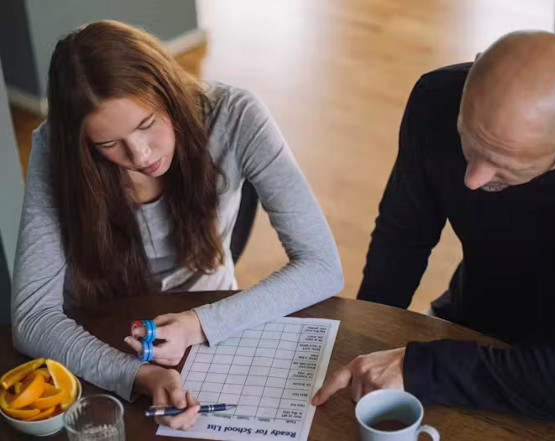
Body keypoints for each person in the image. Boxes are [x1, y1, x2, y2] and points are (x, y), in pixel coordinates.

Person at [11, 20, 343, 430]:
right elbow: (31, 318)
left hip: (215, 323)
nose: (140, 154)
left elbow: (322, 267)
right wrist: (138, 375)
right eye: (109, 145)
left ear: (169, 92)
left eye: (147, 125)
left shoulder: (236, 116)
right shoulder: (54, 148)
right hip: (95, 341)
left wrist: (201, 324)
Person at [312, 31, 555, 424]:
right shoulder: (437, 97)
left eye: (505, 167)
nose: (473, 180)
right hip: (468, 326)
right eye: (468, 142)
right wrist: (366, 340)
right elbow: (402, 235)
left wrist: (420, 368)